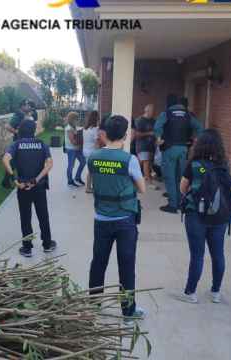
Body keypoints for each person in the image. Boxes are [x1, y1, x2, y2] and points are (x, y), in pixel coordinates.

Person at [87, 115, 146, 321]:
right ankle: (128, 311)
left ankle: (93, 306)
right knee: (126, 265)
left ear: (105, 134)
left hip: (101, 219)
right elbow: (142, 188)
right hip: (124, 221)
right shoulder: (130, 160)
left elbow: (91, 184)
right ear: (125, 134)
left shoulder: (93, 157)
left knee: (98, 263)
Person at [177, 129, 231, 304]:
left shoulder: (193, 164)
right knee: (218, 254)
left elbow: (182, 188)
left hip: (196, 215)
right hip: (220, 215)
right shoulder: (224, 165)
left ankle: (190, 293)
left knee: (197, 255)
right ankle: (216, 292)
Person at [3, 120, 56, 257]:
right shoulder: (41, 144)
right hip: (39, 186)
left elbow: (5, 160)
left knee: (25, 217)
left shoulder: (16, 145)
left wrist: (14, 179)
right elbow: (49, 164)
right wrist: (37, 179)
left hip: (23, 187)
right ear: (33, 130)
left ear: (21, 130)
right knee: (43, 215)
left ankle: (27, 248)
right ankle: (47, 244)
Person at [154, 95, 203, 214]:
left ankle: (172, 205)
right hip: (183, 149)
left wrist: (159, 137)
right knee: (181, 176)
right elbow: (200, 128)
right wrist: (196, 139)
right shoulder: (188, 115)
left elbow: (157, 127)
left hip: (169, 148)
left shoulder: (166, 113)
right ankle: (181, 203)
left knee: (169, 177)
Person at [3, 99, 34, 188]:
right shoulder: (18, 115)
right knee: (13, 162)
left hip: (24, 140)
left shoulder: (24, 114)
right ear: (22, 106)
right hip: (18, 141)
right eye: (27, 105)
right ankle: (6, 181)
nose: (29, 107)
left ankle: (6, 181)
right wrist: (16, 132)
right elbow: (7, 126)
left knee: (15, 162)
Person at [134, 104, 156, 186]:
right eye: (152, 111)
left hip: (151, 146)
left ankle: (133, 178)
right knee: (146, 162)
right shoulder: (140, 120)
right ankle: (149, 181)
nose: (153, 113)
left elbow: (156, 132)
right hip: (142, 145)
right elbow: (137, 134)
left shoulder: (153, 121)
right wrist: (149, 133)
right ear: (147, 111)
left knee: (142, 163)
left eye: (154, 111)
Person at [64, 111, 86, 187]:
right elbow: (73, 141)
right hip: (71, 149)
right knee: (71, 165)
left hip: (77, 149)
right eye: (76, 119)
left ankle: (77, 177)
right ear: (72, 119)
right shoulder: (69, 128)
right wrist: (81, 141)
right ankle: (70, 181)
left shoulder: (74, 127)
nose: (78, 120)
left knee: (83, 162)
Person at [82, 110, 100, 193]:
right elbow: (96, 143)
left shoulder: (85, 129)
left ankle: (89, 187)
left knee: (90, 170)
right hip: (92, 152)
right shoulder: (95, 129)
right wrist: (99, 152)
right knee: (92, 171)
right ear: (96, 118)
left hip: (85, 151)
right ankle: (88, 188)